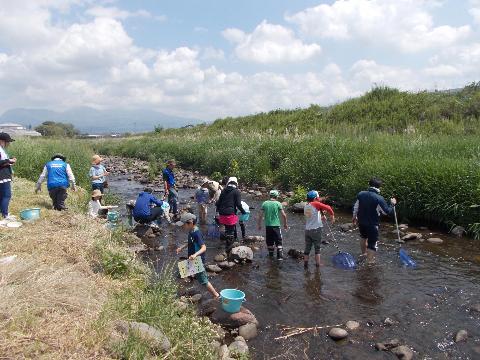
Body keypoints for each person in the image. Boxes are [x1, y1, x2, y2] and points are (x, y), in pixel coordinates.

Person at [352, 177, 397, 263]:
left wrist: (354, 216)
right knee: (372, 243)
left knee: (363, 236)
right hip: (372, 224)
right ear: (379, 187)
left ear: (369, 185)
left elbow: (356, 206)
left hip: (361, 221)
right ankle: (370, 262)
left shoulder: (361, 194)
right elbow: (386, 212)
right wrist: (392, 204)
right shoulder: (379, 198)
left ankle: (364, 254)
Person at [175, 213, 219, 298]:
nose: (182, 227)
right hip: (192, 260)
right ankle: (183, 292)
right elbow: (190, 242)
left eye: (183, 225)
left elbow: (204, 247)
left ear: (190, 223)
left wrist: (195, 255)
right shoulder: (191, 231)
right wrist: (182, 247)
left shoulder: (197, 233)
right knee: (181, 273)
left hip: (197, 261)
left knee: (204, 281)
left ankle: (216, 295)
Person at [303, 190, 335, 269]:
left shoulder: (306, 205)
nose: (318, 199)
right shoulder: (316, 203)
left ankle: (305, 265)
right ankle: (318, 265)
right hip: (316, 230)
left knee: (307, 248)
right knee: (317, 248)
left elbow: (310, 217)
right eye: (317, 197)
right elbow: (329, 208)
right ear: (315, 198)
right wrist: (332, 216)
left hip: (307, 230)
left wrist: (321, 216)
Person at [216, 177, 246, 252]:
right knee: (231, 231)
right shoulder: (236, 192)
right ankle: (229, 249)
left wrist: (217, 212)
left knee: (227, 229)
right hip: (230, 213)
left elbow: (218, 203)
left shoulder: (223, 191)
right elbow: (238, 204)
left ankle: (227, 247)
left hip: (222, 214)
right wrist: (243, 212)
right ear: (236, 183)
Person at [257, 190, 288, 260]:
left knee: (269, 241)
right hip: (276, 226)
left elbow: (260, 215)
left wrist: (259, 225)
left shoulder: (265, 203)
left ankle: (271, 257)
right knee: (279, 241)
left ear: (269, 196)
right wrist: (285, 224)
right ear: (276, 196)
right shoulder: (278, 203)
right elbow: (284, 215)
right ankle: (279, 258)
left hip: (268, 226)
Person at [0, 133, 16, 219]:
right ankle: (5, 215)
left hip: (3, 174)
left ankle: (3, 212)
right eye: (7, 142)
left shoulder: (1, 149)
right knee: (7, 195)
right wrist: (9, 161)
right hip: (3, 176)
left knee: (2, 195)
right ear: (2, 141)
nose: (8, 144)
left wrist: (9, 161)